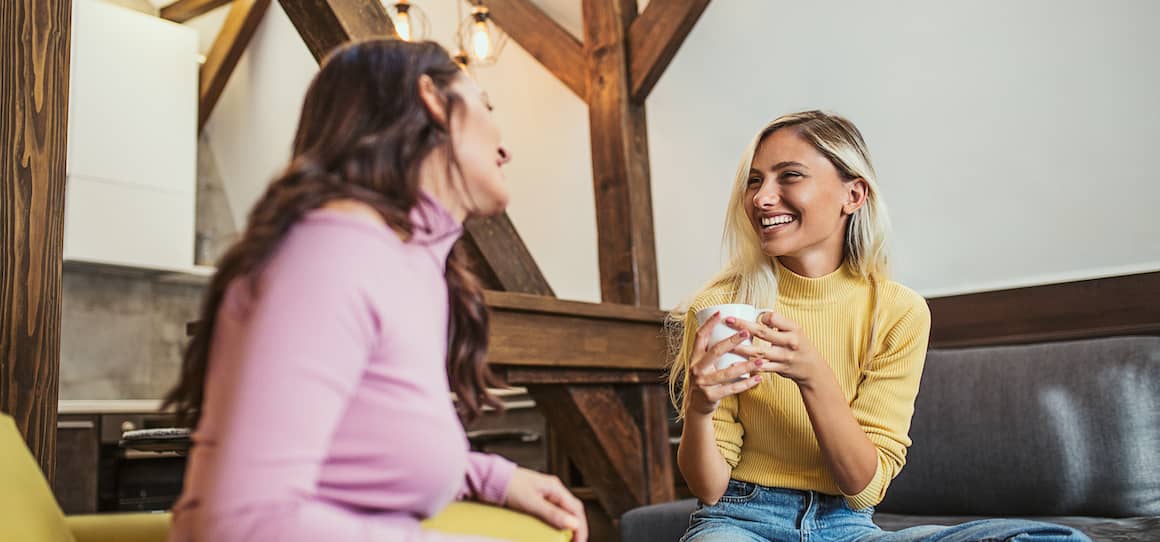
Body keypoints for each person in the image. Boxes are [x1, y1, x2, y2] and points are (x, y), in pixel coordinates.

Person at [163, 39, 587, 542]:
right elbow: (238, 524)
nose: (505, 147)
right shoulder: (330, 255)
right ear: (432, 98)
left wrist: (492, 477)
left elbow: (359, 451)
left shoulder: (410, 267)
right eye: (485, 105)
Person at [669, 110, 1089, 542]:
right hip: (741, 520)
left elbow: (863, 486)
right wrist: (700, 408)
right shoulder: (720, 306)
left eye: (789, 176)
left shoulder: (898, 311)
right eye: (754, 181)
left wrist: (813, 375)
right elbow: (709, 488)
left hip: (847, 527)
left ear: (853, 195)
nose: (761, 197)